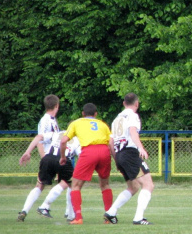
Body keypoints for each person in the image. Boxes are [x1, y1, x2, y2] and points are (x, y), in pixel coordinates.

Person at [17, 95, 75, 222]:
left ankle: (25, 211)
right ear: (57, 106)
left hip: (53, 157)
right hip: (52, 157)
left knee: (43, 185)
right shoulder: (46, 120)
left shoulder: (52, 119)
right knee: (69, 183)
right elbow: (40, 140)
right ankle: (49, 209)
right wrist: (44, 157)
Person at [103, 93, 154, 225]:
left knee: (133, 187)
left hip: (120, 154)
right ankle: (138, 218)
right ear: (136, 103)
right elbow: (132, 131)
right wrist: (141, 148)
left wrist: (116, 159)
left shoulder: (117, 119)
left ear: (124, 103)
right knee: (148, 184)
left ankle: (111, 212)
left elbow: (111, 141)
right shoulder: (133, 116)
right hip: (130, 153)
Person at [59, 103, 114, 225]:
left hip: (89, 151)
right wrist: (115, 158)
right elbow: (111, 143)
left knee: (76, 185)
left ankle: (78, 217)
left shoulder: (77, 122)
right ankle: (109, 217)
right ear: (96, 114)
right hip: (104, 151)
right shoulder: (103, 124)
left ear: (83, 114)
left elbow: (63, 141)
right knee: (105, 185)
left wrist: (63, 157)